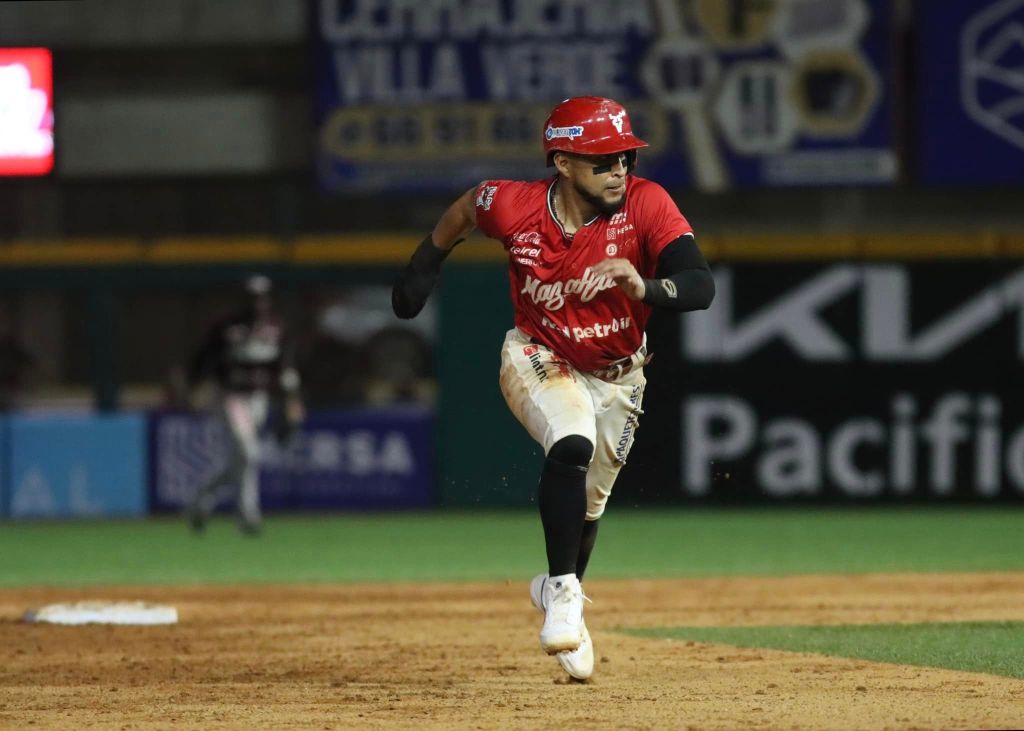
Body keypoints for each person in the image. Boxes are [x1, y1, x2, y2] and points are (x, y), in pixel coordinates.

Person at [392, 96, 715, 680]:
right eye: (603, 159)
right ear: (563, 162)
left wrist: (643, 285)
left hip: (620, 373)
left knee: (587, 509)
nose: (620, 169)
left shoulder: (647, 203)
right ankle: (565, 593)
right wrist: (425, 263)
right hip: (540, 353)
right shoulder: (514, 205)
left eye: (626, 157)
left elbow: (699, 285)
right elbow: (466, 209)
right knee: (571, 441)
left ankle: (558, 588)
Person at [185, 274, 305, 535]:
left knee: (240, 460)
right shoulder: (227, 327)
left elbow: (286, 370)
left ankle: (199, 501)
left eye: (262, 298)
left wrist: (292, 402)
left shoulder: (276, 328)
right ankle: (248, 515)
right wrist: (194, 388)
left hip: (259, 399)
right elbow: (202, 359)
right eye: (253, 298)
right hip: (230, 396)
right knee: (249, 453)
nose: (257, 304)